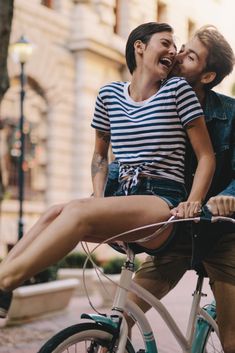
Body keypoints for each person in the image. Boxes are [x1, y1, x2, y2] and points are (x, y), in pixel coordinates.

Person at [0, 22, 215, 318]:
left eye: (175, 47)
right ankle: (3, 287)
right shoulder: (109, 95)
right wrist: (99, 199)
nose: (173, 51)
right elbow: (100, 156)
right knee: (53, 213)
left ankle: (5, 280)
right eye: (165, 42)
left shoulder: (178, 90)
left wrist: (193, 200)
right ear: (140, 46)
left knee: (77, 211)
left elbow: (206, 157)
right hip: (121, 196)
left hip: (162, 202)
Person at [109, 26, 234, 353]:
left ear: (207, 77)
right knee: (122, 315)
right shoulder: (154, 102)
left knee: (232, 340)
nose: (177, 56)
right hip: (177, 230)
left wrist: (227, 198)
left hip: (221, 233)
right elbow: (124, 161)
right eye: (182, 48)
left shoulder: (230, 114)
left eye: (190, 56)